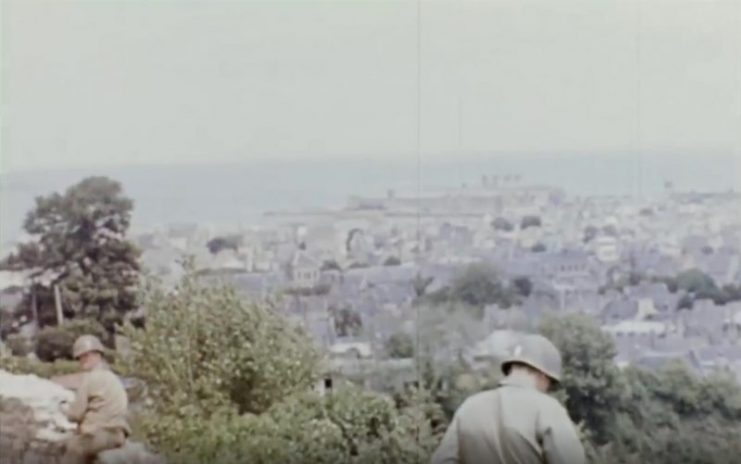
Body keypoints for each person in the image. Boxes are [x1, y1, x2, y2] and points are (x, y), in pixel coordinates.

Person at [430, 333, 585, 464]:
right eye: (550, 384)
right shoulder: (548, 409)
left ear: (511, 368)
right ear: (543, 375)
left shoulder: (469, 407)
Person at [60, 334, 130, 464]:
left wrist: (64, 410)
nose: (83, 360)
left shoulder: (90, 379)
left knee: (72, 449)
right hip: (118, 434)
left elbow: (75, 414)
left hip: (101, 434)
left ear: (98, 355)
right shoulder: (112, 378)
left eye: (87, 355)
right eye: (81, 357)